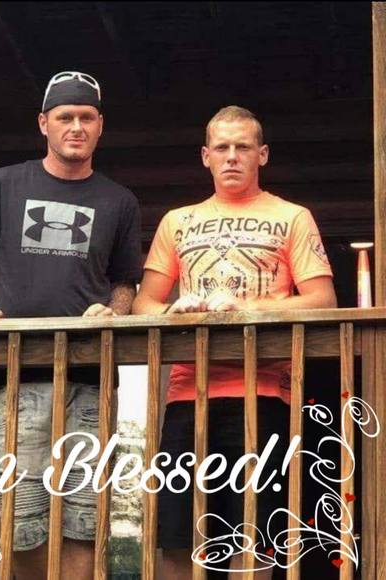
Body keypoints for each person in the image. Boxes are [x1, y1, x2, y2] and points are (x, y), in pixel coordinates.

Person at [132, 106, 337, 579]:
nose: (231, 157)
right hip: (187, 395)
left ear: (261, 154)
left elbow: (322, 298)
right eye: (221, 147)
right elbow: (144, 303)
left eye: (242, 147)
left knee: (254, 537)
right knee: (178, 538)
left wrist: (247, 310)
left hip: (265, 395)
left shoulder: (292, 216)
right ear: (205, 156)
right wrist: (174, 311)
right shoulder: (178, 221)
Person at [0, 71, 142, 580]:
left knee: (84, 518)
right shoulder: (4, 184)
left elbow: (126, 282)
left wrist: (116, 311)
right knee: (20, 520)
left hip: (91, 379)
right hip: (19, 377)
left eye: (86, 117)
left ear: (100, 125)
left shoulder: (120, 201)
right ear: (44, 123)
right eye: (65, 117)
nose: (75, 127)